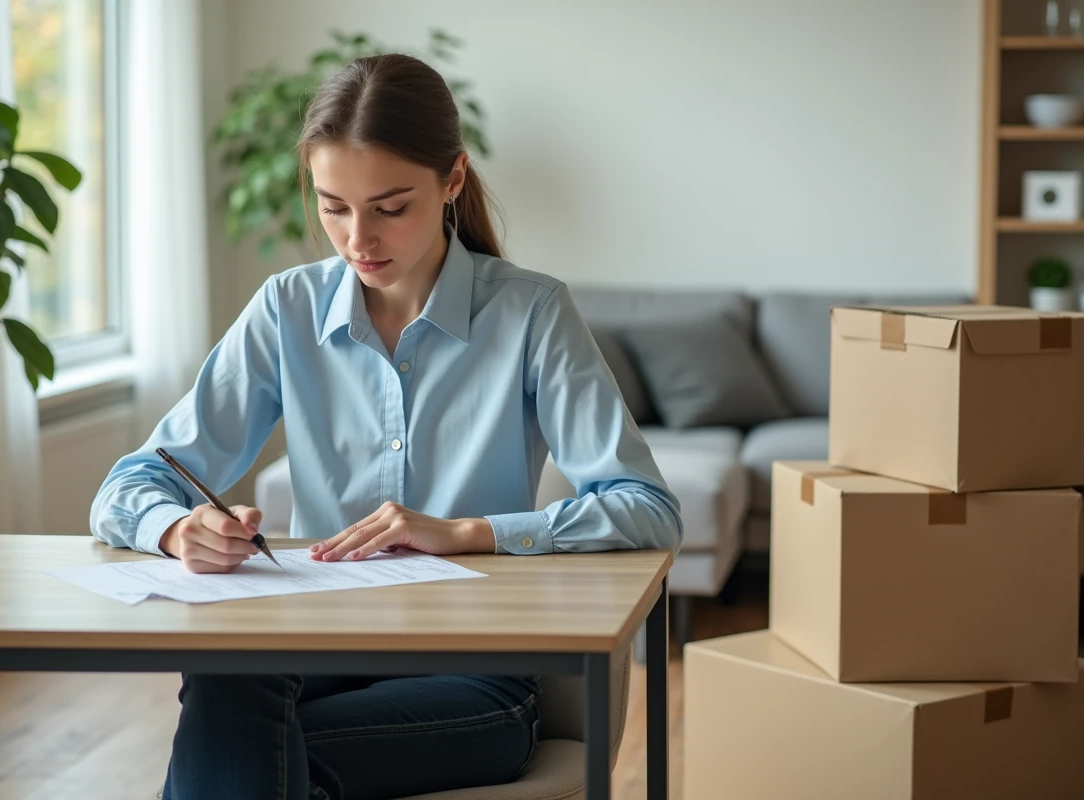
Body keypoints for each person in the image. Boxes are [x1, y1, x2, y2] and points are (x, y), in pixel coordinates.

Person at [90, 52, 683, 800]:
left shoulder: (532, 313)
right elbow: (131, 486)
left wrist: (467, 532)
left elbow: (647, 509)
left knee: (238, 758)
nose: (357, 240)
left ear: (453, 180)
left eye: (390, 207)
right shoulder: (287, 309)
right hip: (309, 648)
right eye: (333, 207)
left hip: (475, 676)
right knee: (230, 684)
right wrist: (180, 530)